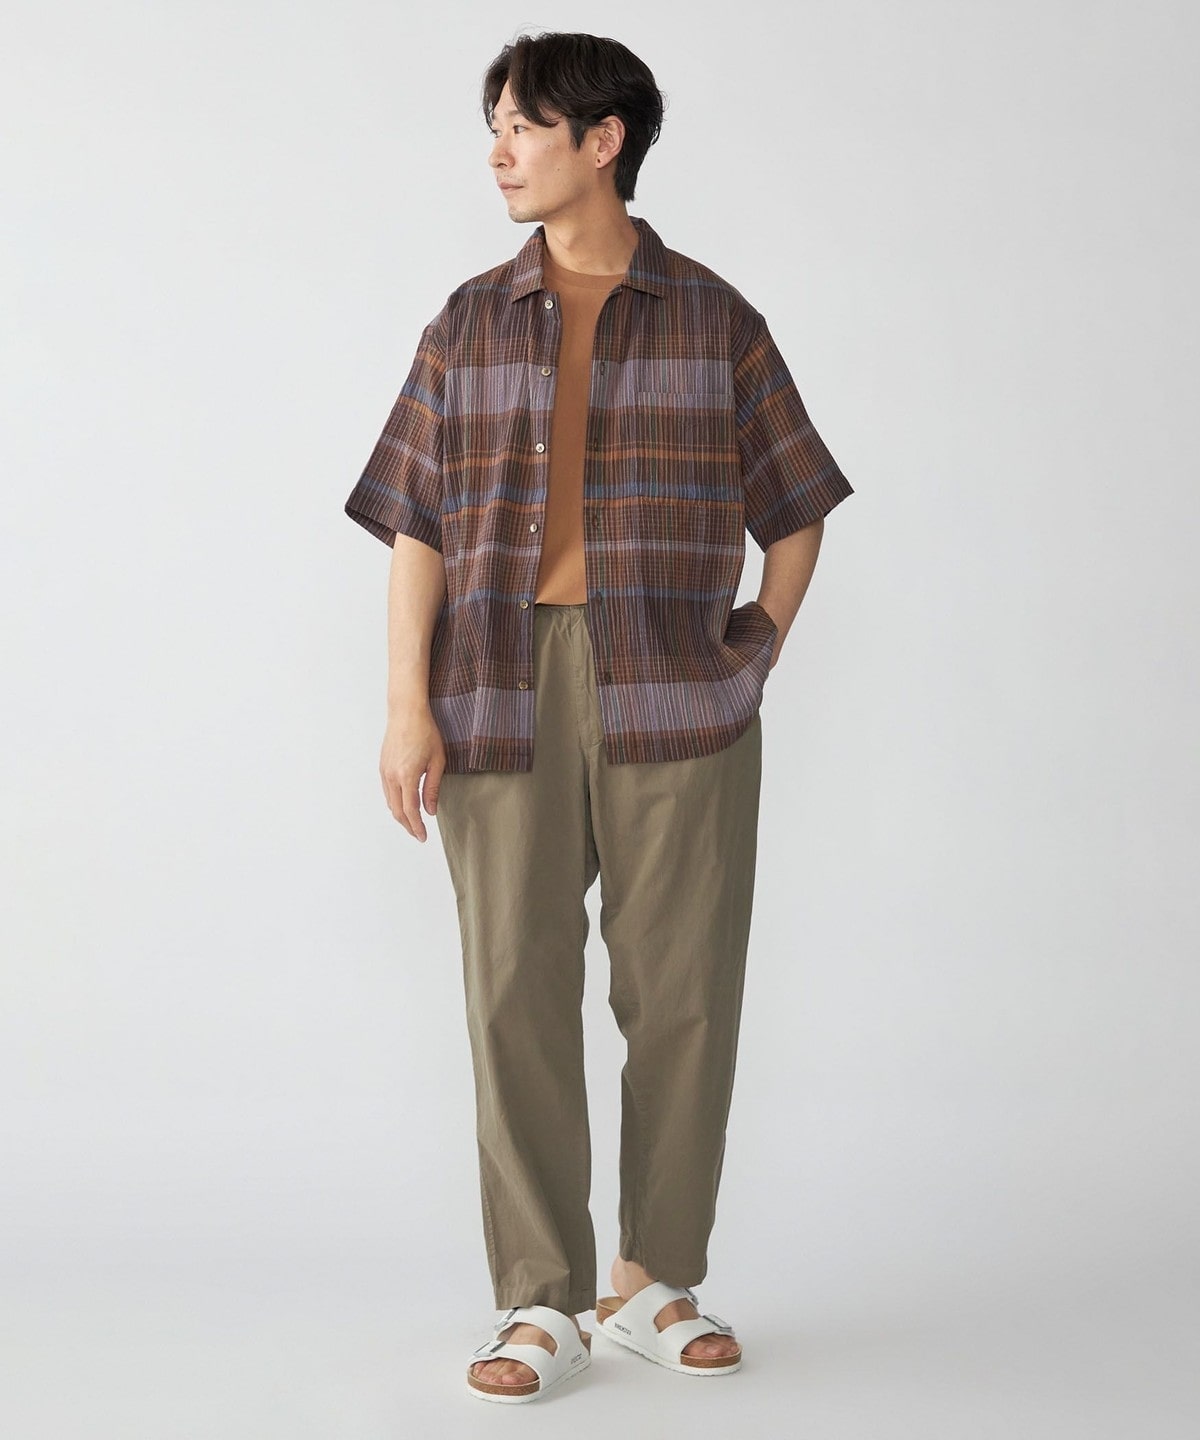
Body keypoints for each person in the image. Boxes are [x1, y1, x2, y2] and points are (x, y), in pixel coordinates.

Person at [343, 30, 854, 1405]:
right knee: (511, 987)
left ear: (604, 139)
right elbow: (415, 525)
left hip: (676, 689)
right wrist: (405, 705)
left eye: (523, 126)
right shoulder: (466, 323)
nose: (499, 152)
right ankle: (538, 1299)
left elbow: (798, 507)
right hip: (497, 684)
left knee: (682, 990)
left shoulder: (715, 319)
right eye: (496, 126)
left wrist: (749, 653)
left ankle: (652, 1282)